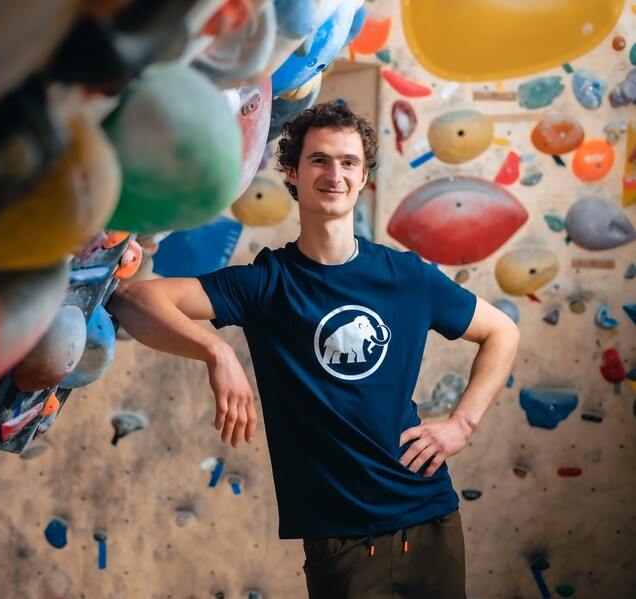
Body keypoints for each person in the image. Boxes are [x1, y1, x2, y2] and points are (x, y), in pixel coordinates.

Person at [105, 102, 520, 598]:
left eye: (348, 162)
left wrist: (461, 425)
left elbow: (502, 332)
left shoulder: (407, 276)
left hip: (431, 515)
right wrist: (216, 351)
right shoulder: (266, 284)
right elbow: (133, 299)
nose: (334, 174)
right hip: (342, 538)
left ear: (363, 176)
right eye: (319, 160)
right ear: (292, 173)